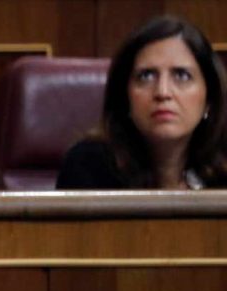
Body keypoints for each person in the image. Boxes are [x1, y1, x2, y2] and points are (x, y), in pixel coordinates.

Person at [57, 15, 227, 190]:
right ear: (125, 95)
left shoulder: (223, 168)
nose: (162, 92)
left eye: (181, 76)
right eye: (146, 76)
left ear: (209, 99)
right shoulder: (89, 165)